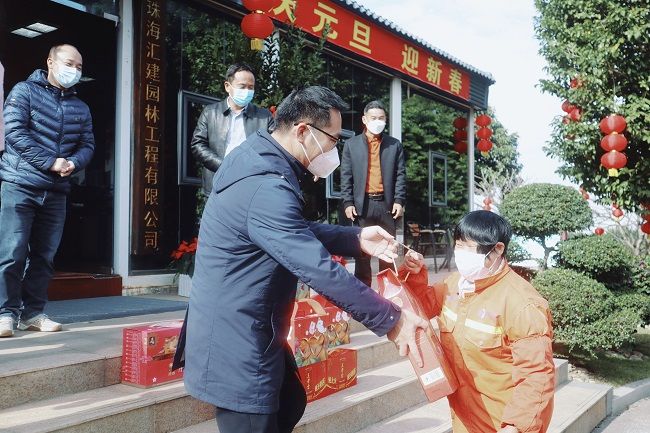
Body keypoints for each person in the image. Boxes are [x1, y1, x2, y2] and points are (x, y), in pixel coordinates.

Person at [180, 86, 428, 433]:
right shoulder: (266, 184)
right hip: (237, 341)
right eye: (332, 140)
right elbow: (316, 267)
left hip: (247, 326)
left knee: (288, 403)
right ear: (302, 131)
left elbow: (288, 229)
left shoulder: (257, 157)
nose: (333, 152)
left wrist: (357, 238)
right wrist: (391, 319)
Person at [399, 210, 555, 433]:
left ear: (498, 249)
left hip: (500, 422)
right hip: (464, 417)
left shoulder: (522, 304)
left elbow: (536, 375)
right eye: (458, 245)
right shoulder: (456, 284)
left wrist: (515, 426)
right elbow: (421, 307)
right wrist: (413, 274)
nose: (460, 253)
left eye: (468, 247)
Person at [0, 44, 95, 337]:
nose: (74, 70)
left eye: (79, 67)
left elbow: (87, 144)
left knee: (44, 257)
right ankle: (5, 313)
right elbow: (14, 132)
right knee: (12, 252)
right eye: (69, 63)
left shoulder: (81, 107)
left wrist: (73, 163)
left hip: (56, 191)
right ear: (50, 63)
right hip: (20, 184)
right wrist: (50, 161)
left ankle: (32, 313)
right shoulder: (24, 91)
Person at [340, 100, 406, 287]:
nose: (378, 121)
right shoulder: (351, 145)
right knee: (362, 253)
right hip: (362, 206)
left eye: (381, 118)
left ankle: (389, 293)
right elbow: (346, 176)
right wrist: (348, 202)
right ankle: (364, 296)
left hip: (386, 206)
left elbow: (400, 175)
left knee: (388, 252)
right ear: (364, 119)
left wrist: (399, 200)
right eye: (374, 118)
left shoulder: (394, 145)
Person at [191, 62, 271, 196]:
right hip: (218, 183)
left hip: (251, 185)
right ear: (227, 86)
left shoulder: (264, 117)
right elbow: (198, 145)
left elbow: (275, 148)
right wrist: (224, 166)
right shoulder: (211, 113)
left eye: (251, 87)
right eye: (242, 86)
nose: (247, 91)